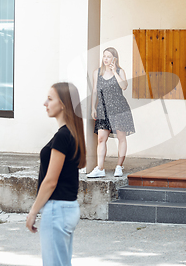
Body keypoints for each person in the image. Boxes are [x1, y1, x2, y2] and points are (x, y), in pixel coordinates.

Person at [26, 82, 87, 266]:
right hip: (67, 207)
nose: (45, 103)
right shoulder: (71, 133)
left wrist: (33, 212)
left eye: (50, 99)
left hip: (57, 209)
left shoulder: (63, 136)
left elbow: (50, 181)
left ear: (63, 104)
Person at [87, 47, 135, 178]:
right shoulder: (97, 72)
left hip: (119, 109)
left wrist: (114, 72)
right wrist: (93, 108)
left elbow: (124, 86)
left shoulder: (120, 71)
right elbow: (95, 92)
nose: (106, 59)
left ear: (115, 58)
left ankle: (119, 166)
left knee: (121, 138)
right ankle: (100, 168)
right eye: (104, 56)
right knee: (101, 138)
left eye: (108, 56)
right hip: (103, 109)